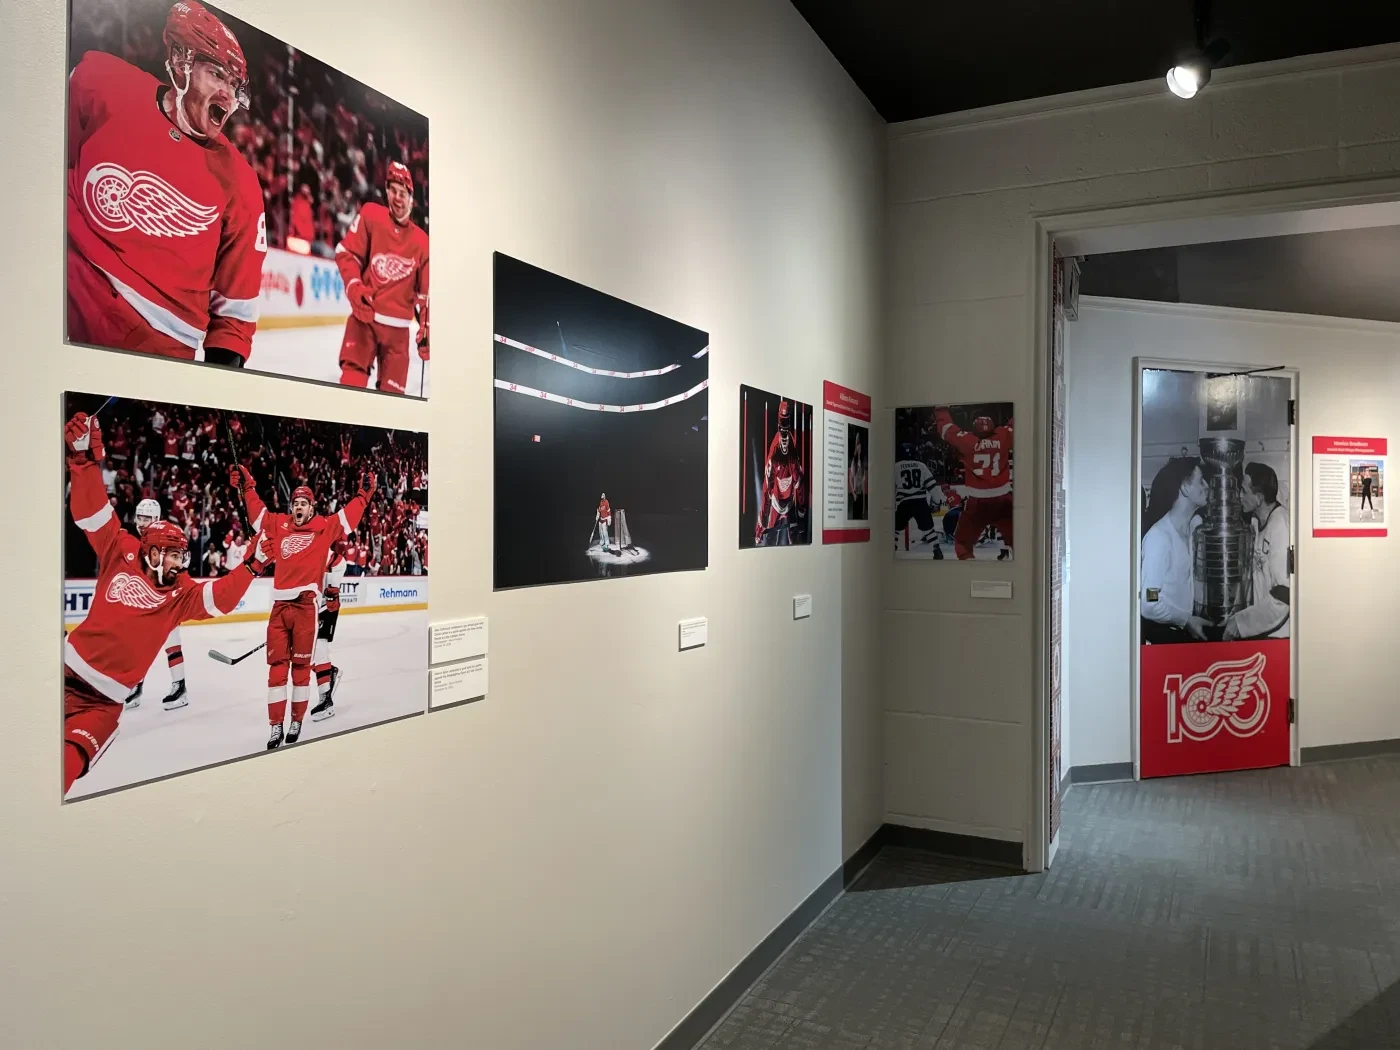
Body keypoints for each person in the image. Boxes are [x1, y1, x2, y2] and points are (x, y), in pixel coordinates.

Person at [62, 412, 264, 796]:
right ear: (152, 550)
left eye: (181, 556)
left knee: (61, 770)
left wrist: (252, 565)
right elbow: (89, 512)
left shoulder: (182, 591)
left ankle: (178, 684)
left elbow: (219, 600)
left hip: (102, 705)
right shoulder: (119, 546)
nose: (179, 563)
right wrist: (83, 462)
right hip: (61, 674)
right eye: (173, 555)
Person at [66, 1, 267, 367]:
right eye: (217, 75)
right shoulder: (99, 82)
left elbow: (234, 320)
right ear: (179, 61)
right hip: (60, 311)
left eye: (234, 84)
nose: (228, 94)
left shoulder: (241, 184)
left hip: (154, 360)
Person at [230, 465, 375, 750]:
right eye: (295, 503)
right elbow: (258, 515)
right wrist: (246, 488)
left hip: (307, 608)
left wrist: (363, 495)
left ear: (312, 508)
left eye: (304, 503)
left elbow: (348, 518)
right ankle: (275, 727)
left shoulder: (323, 527)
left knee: (300, 669)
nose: (298, 507)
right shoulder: (279, 524)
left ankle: (296, 719)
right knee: (275, 671)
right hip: (279, 608)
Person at [334, 161, 429, 394]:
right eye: (393, 191)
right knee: (349, 393)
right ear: (386, 192)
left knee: (391, 409)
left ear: (411, 198)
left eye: (402, 193)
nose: (397, 198)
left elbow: (425, 296)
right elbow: (347, 254)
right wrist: (355, 288)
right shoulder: (370, 216)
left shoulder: (422, 243)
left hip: (397, 335)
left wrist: (427, 330)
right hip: (363, 322)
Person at [123, 498, 191, 712]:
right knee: (138, 645)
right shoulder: (137, 541)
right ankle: (136, 686)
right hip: (146, 601)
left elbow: (183, 563)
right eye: (140, 517)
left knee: (172, 643)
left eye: (147, 518)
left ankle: (179, 687)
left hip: (168, 599)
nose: (142, 522)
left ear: (155, 518)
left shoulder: (170, 535)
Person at [1140, 457, 1212, 643]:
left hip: (1189, 634)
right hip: (1166, 637)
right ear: (1185, 488)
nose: (1207, 486)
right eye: (1201, 480)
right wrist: (1186, 620)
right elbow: (1150, 602)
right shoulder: (1159, 538)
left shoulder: (1194, 528)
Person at [933, 408, 1013, 560]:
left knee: (963, 544)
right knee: (1019, 539)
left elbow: (945, 428)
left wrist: (940, 409)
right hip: (1003, 498)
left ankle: (971, 571)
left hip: (977, 501)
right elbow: (1017, 424)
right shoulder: (1003, 435)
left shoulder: (967, 440)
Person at [1224, 462, 1290, 640]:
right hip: (1261, 627)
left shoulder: (1281, 527)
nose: (1239, 496)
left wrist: (1241, 622)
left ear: (1259, 498)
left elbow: (1284, 595)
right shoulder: (1256, 521)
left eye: (1244, 491)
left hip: (1279, 635)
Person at [756, 400, 806, 546]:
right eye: (781, 430)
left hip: (790, 502)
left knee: (795, 541)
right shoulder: (774, 453)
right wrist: (762, 522)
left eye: (786, 429)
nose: (784, 437)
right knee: (771, 541)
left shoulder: (792, 449)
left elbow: (800, 481)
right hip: (776, 503)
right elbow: (766, 488)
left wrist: (801, 514)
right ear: (778, 427)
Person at [308, 543, 348, 723]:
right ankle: (329, 673)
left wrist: (332, 590)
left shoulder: (317, 547)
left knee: (319, 647)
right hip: (310, 607)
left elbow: (340, 563)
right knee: (303, 651)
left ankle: (326, 701)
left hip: (325, 606)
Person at [894, 444, 937, 548]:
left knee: (895, 529)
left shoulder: (896, 466)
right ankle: (936, 550)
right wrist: (936, 502)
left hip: (904, 503)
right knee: (928, 529)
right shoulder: (921, 465)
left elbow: (890, 489)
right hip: (920, 503)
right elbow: (933, 487)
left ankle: (892, 547)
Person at [848, 433, 867, 520]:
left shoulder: (863, 462)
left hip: (861, 493)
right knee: (856, 516)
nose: (859, 447)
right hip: (856, 493)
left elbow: (863, 478)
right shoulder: (854, 462)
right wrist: (853, 493)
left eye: (860, 446)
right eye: (858, 445)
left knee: (861, 516)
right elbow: (850, 479)